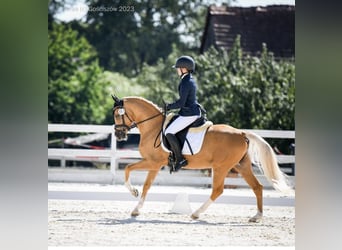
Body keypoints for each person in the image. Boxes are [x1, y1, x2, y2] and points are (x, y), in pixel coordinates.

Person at [165, 55, 202, 172]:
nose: (177, 70)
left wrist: (169, 106)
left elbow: (181, 102)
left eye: (178, 68)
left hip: (189, 114)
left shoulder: (186, 82)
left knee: (169, 132)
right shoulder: (188, 79)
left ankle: (180, 159)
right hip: (189, 112)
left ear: (184, 69)